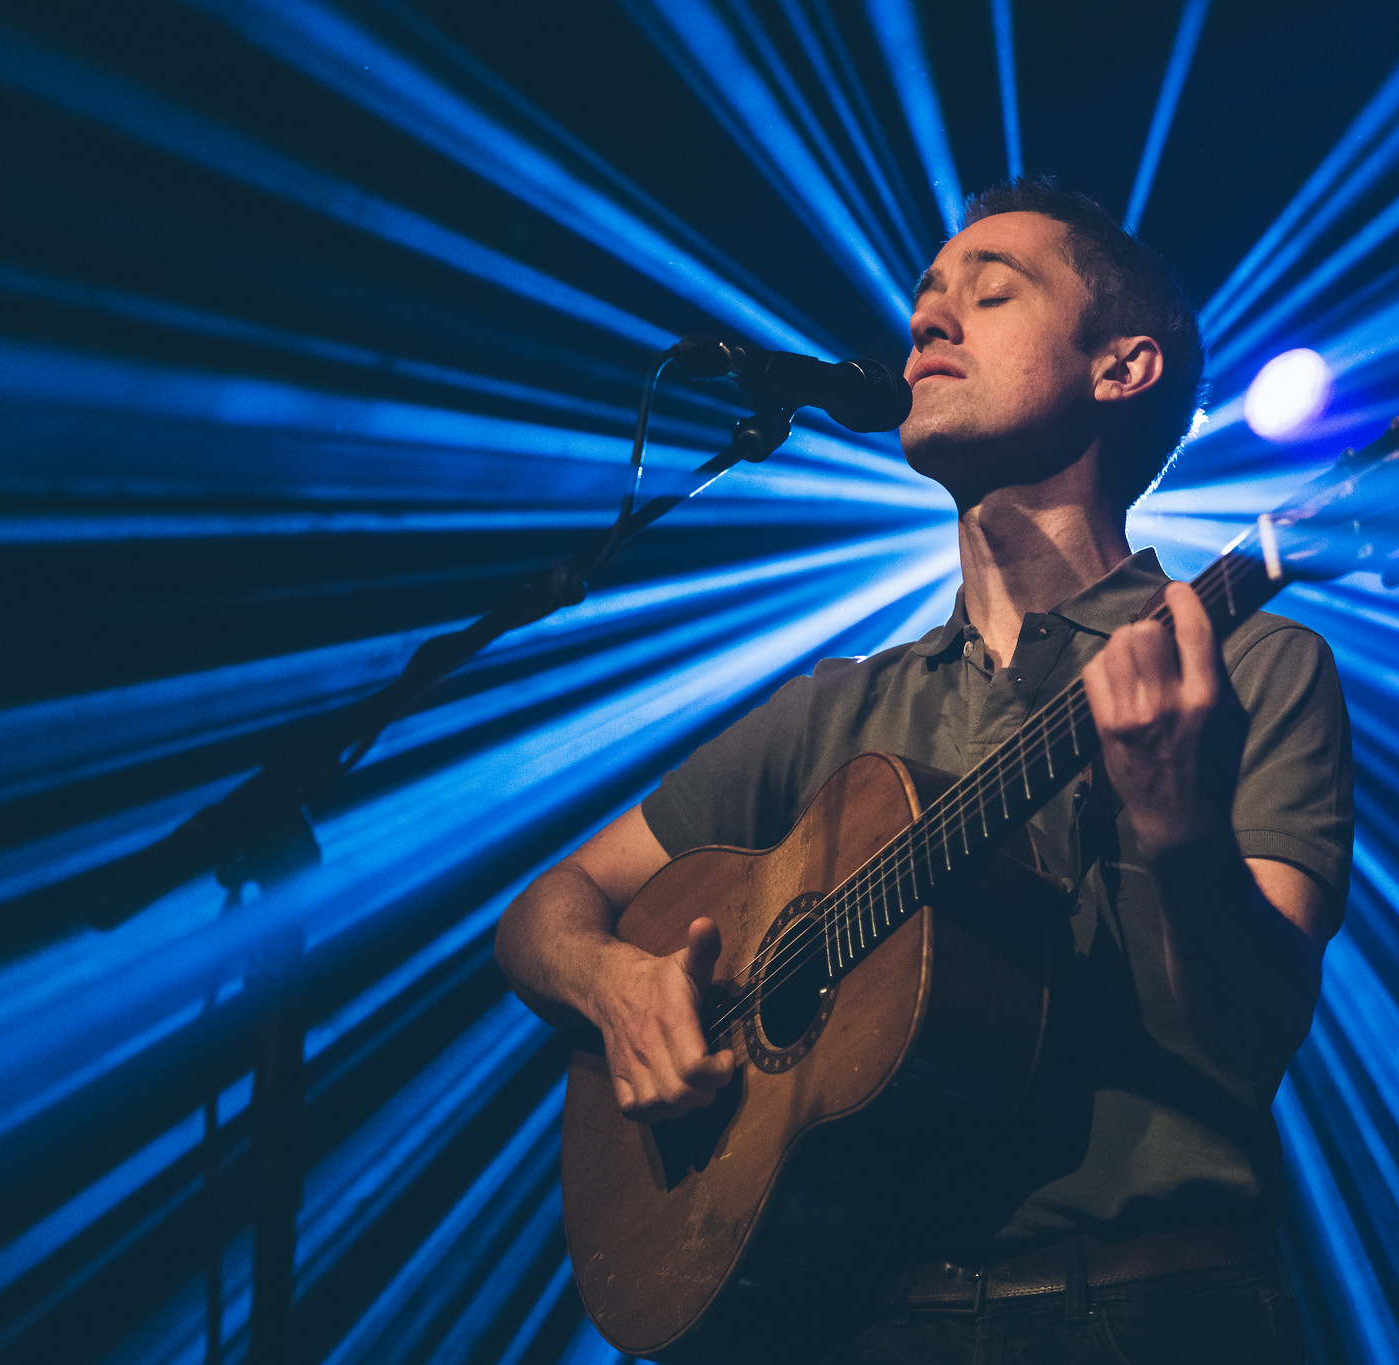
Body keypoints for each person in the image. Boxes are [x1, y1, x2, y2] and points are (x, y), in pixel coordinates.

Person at [495, 176, 1353, 1364]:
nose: (927, 324)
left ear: (1123, 368)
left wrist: (1181, 837)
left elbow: (1254, 1032)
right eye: (924, 303)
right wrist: (615, 988)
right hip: (853, 1319)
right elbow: (543, 910)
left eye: (989, 295)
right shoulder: (833, 708)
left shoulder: (1248, 660)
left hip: (1148, 1316)